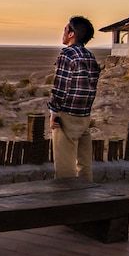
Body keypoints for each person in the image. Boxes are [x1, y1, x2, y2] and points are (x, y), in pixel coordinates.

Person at [49, 16, 100, 181]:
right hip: (84, 116)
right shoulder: (90, 57)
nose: (63, 33)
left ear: (71, 34)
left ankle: (67, 202)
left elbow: (60, 87)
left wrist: (53, 113)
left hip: (67, 116)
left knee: (64, 168)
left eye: (65, 30)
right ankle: (86, 199)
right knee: (85, 166)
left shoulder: (67, 54)